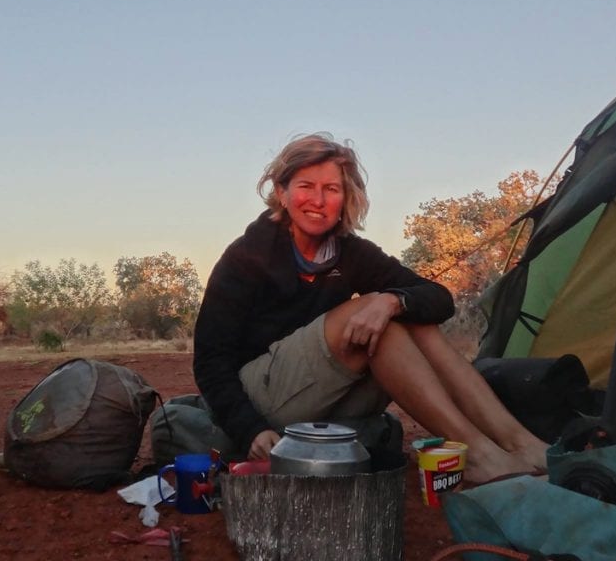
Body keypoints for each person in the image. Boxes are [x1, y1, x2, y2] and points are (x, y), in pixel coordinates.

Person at [192, 133, 548, 484]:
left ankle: (520, 442)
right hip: (261, 401)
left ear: (346, 197)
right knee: (372, 312)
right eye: (305, 186)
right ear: (282, 193)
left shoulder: (351, 252)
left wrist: (393, 301)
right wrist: (249, 430)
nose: (317, 200)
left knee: (404, 312)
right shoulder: (248, 256)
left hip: (326, 398)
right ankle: (480, 456)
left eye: (331, 189)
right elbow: (210, 360)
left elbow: (438, 298)